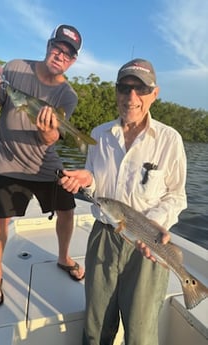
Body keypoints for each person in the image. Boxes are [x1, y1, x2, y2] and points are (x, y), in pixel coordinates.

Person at [59, 58, 187, 345]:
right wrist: (86, 180)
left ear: (155, 93)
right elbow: (97, 187)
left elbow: (177, 196)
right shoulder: (98, 135)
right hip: (104, 235)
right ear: (115, 91)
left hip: (149, 243)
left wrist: (155, 225)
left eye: (140, 89)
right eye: (124, 87)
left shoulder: (170, 139)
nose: (131, 97)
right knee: (96, 327)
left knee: (140, 334)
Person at [0, 24, 85, 307]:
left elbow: (51, 138)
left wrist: (46, 129)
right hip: (9, 162)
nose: (60, 55)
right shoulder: (14, 68)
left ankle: (63, 257)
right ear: (49, 45)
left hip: (44, 162)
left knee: (67, 207)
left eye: (68, 53)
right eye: (58, 47)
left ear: (73, 61)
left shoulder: (68, 96)